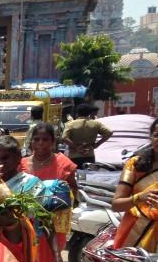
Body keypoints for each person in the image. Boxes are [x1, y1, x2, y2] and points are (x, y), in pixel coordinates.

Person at [23, 122, 77, 262]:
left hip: (54, 222)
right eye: (37, 139)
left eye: (45, 139)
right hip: (28, 223)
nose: (40, 143)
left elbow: (73, 189)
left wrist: (55, 198)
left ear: (53, 142)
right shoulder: (22, 164)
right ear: (31, 141)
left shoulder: (64, 164)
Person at [111, 117, 158, 253]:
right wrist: (140, 197)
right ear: (150, 138)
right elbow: (116, 205)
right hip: (135, 234)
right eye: (156, 135)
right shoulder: (135, 165)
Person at [63, 102, 112, 167]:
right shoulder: (96, 124)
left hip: (74, 157)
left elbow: (64, 138)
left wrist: (76, 147)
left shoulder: (70, 124)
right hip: (90, 156)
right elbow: (109, 133)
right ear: (89, 113)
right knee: (90, 176)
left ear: (77, 113)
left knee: (76, 176)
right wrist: (97, 145)